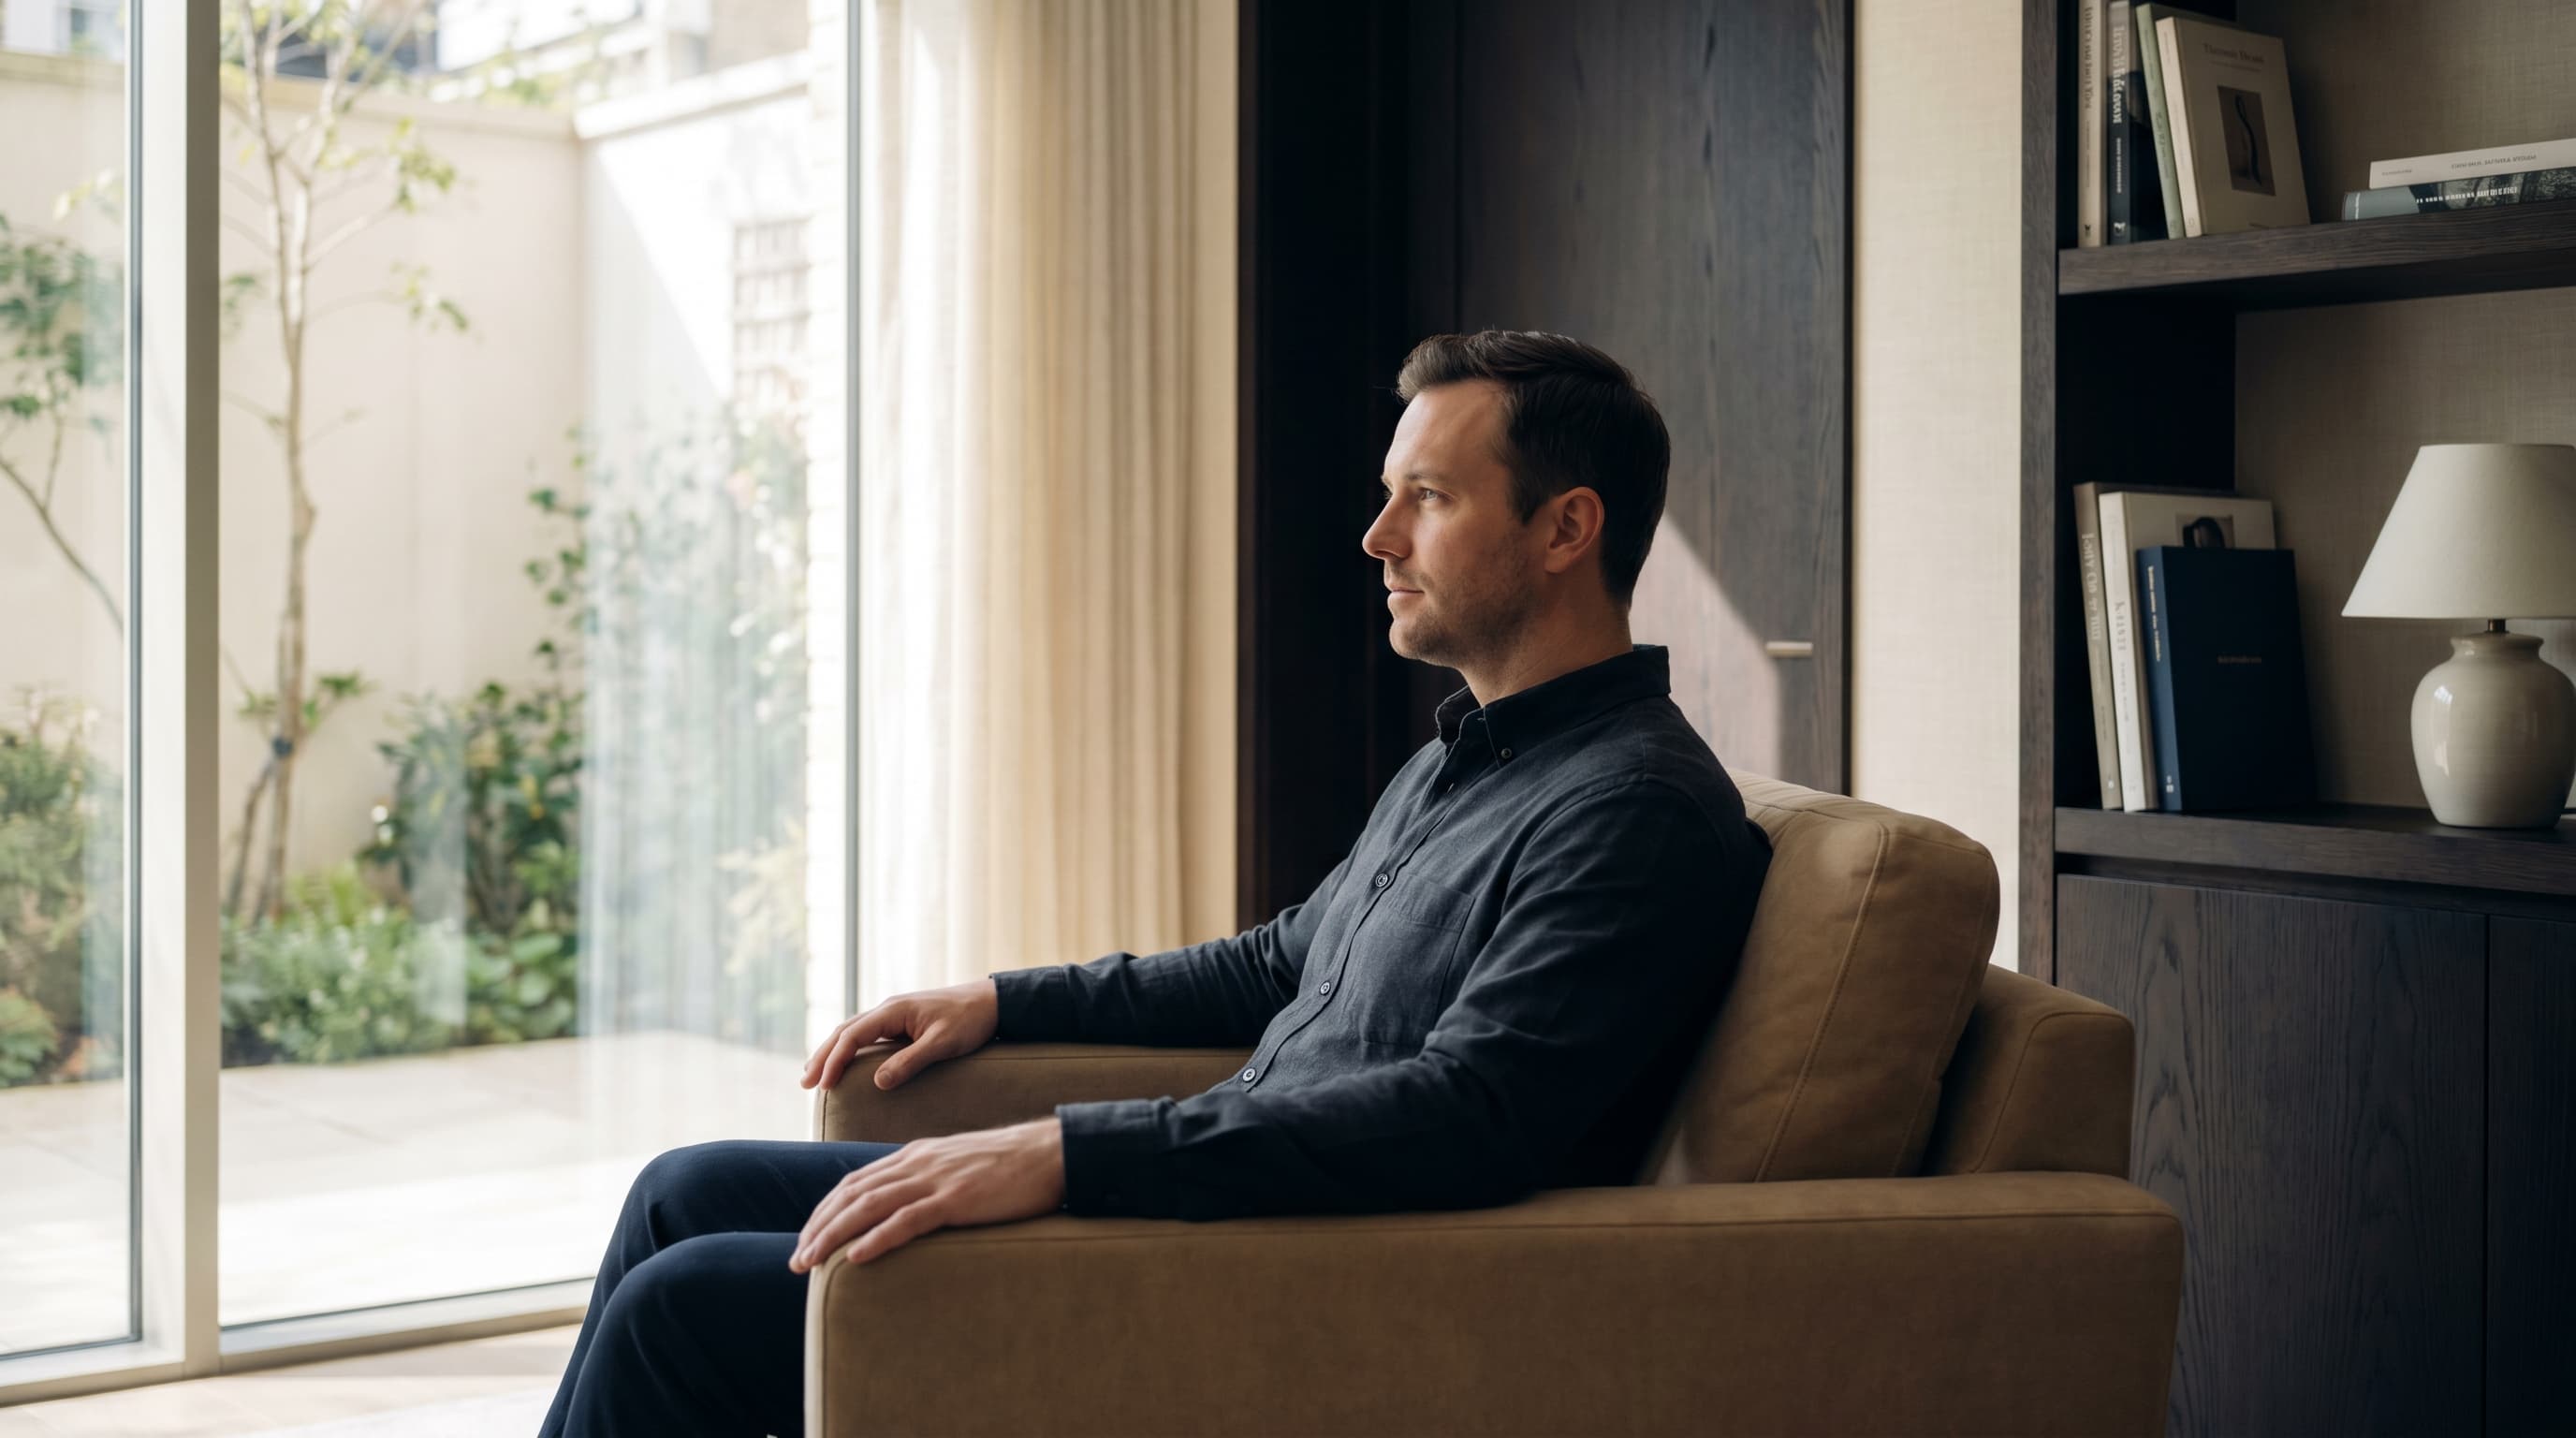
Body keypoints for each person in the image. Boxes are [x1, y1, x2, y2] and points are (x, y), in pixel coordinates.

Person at [537, 330, 1775, 1436]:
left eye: (1429, 499)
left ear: (1566, 528)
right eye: (1387, 496)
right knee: (682, 1192)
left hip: (1288, 1272)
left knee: (684, 1309)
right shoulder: (1473, 753)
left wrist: (1068, 1154)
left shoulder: (1635, 813)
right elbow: (1285, 962)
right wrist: (1004, 1000)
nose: (1377, 537)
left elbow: (1471, 1116)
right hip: (1225, 1203)